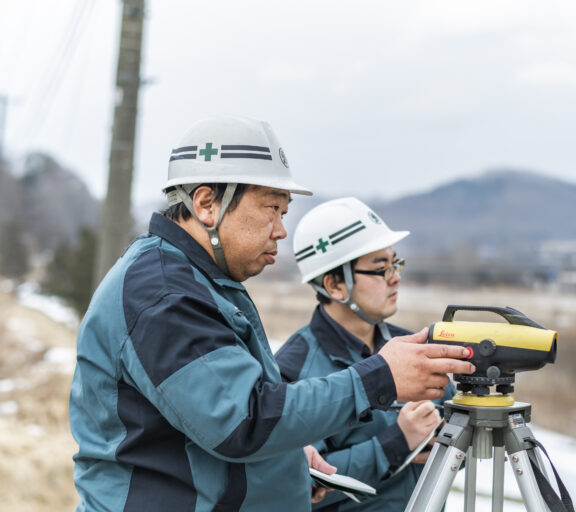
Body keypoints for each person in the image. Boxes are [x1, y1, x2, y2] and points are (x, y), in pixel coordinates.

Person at [68, 115, 475, 512]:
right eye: (272, 209)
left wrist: (286, 462)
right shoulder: (163, 293)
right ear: (207, 203)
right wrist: (379, 379)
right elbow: (241, 419)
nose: (281, 230)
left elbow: (214, 422)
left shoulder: (197, 281)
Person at [276, 197, 455, 511]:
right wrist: (397, 444)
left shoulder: (410, 346)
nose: (395, 277)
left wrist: (445, 440)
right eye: (380, 269)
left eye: (395, 264)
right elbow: (296, 484)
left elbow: (455, 445)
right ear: (334, 285)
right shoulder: (293, 368)